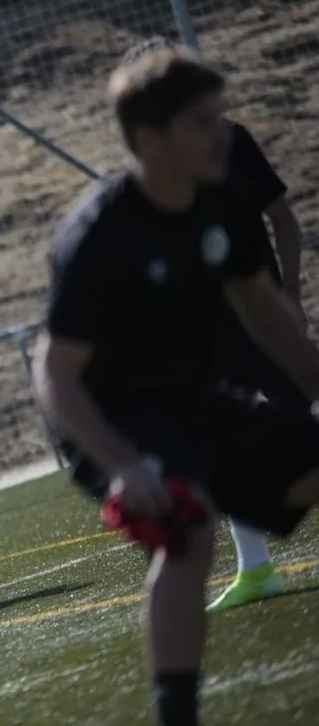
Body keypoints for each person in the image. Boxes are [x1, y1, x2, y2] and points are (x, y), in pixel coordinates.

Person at [32, 47, 319, 726]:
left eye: (220, 116)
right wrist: (126, 465)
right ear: (151, 138)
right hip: (111, 418)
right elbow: (55, 373)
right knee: (187, 532)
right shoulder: (100, 233)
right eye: (203, 122)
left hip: (194, 399)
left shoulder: (220, 202)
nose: (225, 134)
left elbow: (261, 310)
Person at [121, 36, 309, 612]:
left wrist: (291, 296)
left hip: (261, 317)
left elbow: (283, 220)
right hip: (210, 331)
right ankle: (255, 570)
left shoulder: (230, 144)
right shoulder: (144, 175)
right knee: (214, 444)